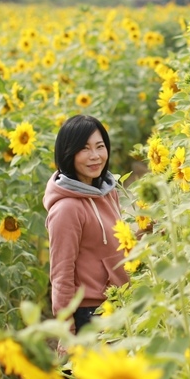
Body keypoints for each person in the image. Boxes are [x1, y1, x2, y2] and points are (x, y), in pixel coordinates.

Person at [44, 115, 128, 332]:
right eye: (84, 149)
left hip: (121, 303)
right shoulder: (66, 209)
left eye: (100, 147)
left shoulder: (108, 192)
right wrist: (66, 330)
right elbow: (61, 274)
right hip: (91, 314)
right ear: (68, 153)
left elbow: (111, 244)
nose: (95, 156)